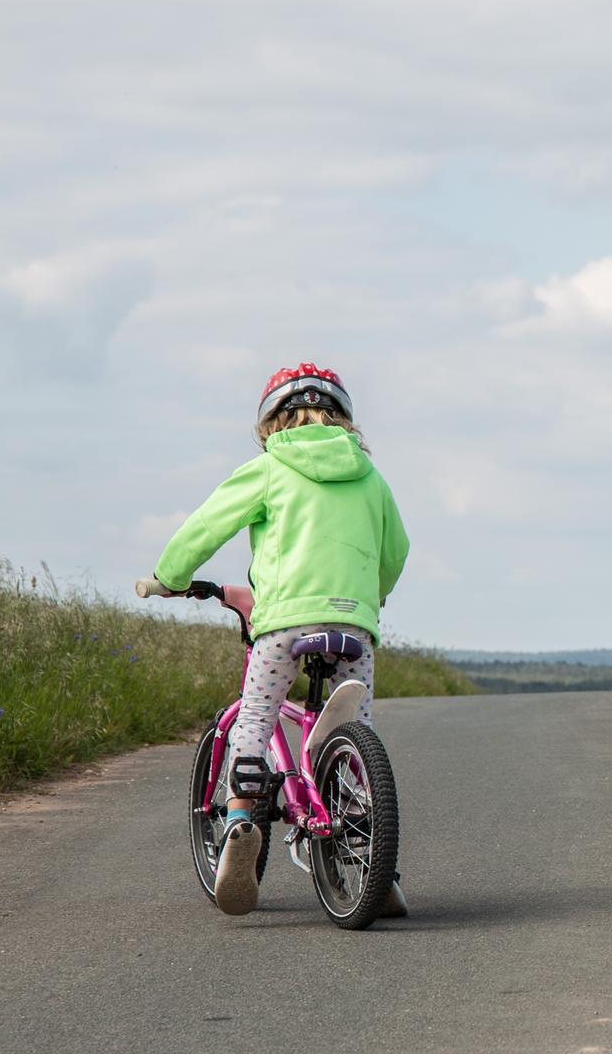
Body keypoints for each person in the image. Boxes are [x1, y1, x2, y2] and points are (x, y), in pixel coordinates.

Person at [138, 362, 410, 915]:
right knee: (352, 728)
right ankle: (368, 847)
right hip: (352, 627)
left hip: (285, 622)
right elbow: (396, 551)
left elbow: (207, 525)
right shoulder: (371, 477)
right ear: (344, 418)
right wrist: (370, 596)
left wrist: (169, 576)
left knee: (256, 717)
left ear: (269, 421)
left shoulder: (270, 468)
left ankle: (240, 817)